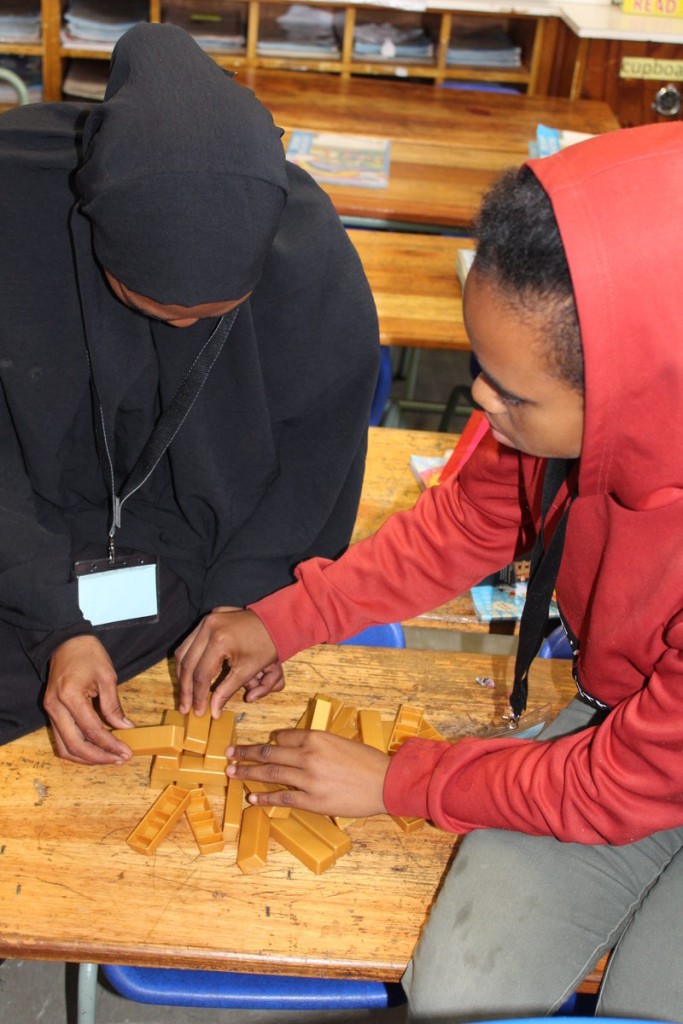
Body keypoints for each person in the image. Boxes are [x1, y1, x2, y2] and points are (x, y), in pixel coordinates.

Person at [174, 121, 683, 1022]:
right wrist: (285, 617)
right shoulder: (568, 407)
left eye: (511, 394)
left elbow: (618, 785)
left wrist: (397, 781)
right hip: (629, 726)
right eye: (476, 371)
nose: (481, 406)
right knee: (455, 990)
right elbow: (467, 523)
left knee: (647, 1005)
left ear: (646, 390)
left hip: (639, 761)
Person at [0, 23, 380, 764]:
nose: (179, 327)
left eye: (206, 317)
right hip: (18, 517)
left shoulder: (311, 262)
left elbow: (314, 467)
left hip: (189, 551)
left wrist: (252, 604)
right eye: (149, 303)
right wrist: (57, 626)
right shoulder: (14, 198)